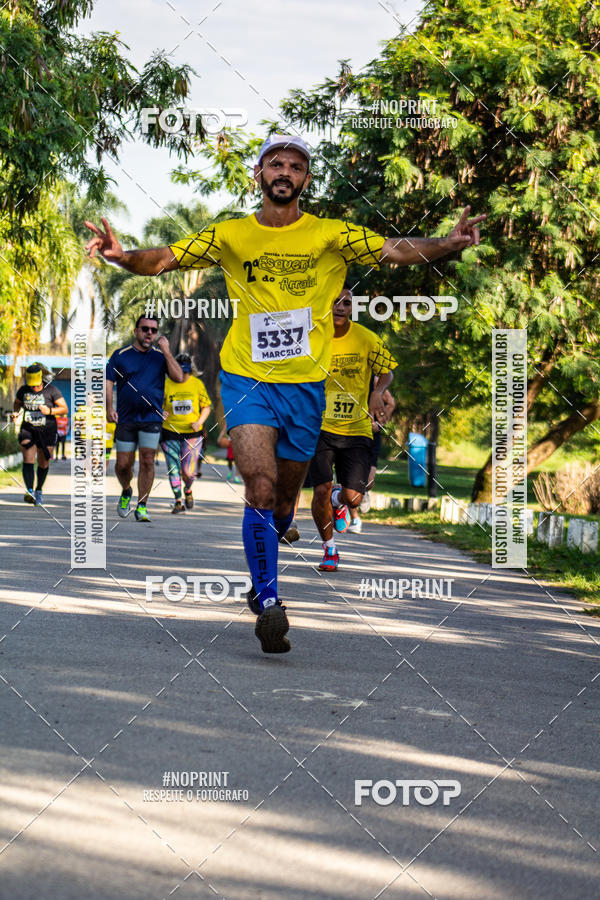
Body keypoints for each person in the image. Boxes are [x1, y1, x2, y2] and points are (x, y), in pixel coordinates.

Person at [85, 132, 484, 653]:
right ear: (259, 174)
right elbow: (166, 259)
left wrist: (447, 244)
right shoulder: (231, 235)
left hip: (306, 387)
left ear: (305, 180)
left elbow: (393, 249)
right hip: (246, 376)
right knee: (261, 487)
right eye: (275, 163)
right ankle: (269, 601)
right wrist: (121, 256)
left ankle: (264, 568)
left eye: (295, 166)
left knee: (283, 505)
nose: (284, 171)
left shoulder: (331, 234)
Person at [306, 287, 397, 570]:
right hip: (320, 426)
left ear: (352, 309)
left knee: (354, 495)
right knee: (319, 490)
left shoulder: (367, 339)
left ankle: (339, 498)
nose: (341, 307)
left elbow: (387, 371)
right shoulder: (312, 336)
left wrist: (377, 391)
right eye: (335, 302)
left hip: (356, 428)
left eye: (347, 303)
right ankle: (329, 549)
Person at [105, 315, 184, 522]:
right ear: (136, 331)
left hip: (152, 418)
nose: (150, 333)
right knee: (123, 465)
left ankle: (142, 505)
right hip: (126, 419)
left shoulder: (160, 356)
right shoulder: (120, 355)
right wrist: (108, 408)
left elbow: (178, 377)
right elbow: (109, 382)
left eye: (154, 330)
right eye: (145, 329)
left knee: (148, 460)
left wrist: (167, 351)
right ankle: (126, 490)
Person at [160, 352, 212, 513]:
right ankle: (178, 501)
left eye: (185, 372)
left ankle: (188, 489)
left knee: (188, 473)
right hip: (169, 432)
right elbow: (157, 405)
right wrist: (160, 412)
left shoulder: (197, 384)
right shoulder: (166, 384)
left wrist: (199, 422)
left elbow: (206, 407)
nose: (182, 375)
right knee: (173, 469)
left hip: (192, 435)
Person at [13, 364, 68, 505]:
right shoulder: (23, 391)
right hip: (28, 430)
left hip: (47, 430)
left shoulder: (52, 390)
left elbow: (64, 408)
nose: (34, 389)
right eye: (32, 386)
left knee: (43, 462)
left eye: (37, 386)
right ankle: (30, 490)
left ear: (41, 381)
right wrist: (15, 412)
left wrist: (49, 411)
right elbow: (17, 403)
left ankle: (39, 490)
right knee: (28, 459)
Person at [350, 375, 396, 530]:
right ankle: (354, 519)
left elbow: (390, 403)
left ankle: (363, 492)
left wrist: (380, 422)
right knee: (351, 480)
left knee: (368, 482)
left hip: (371, 436)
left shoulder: (375, 381)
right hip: (351, 434)